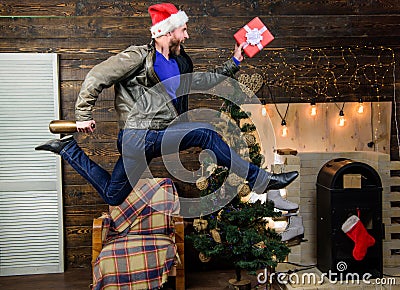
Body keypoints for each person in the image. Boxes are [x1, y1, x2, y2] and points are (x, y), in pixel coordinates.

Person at [36, 2, 298, 206]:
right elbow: (96, 76)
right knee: (206, 135)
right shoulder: (138, 57)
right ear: (167, 31)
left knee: (113, 195)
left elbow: (203, 81)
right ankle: (260, 180)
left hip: (157, 136)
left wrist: (235, 61)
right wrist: (82, 114)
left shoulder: (180, 63)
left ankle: (67, 148)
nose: (187, 35)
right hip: (138, 134)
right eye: (183, 30)